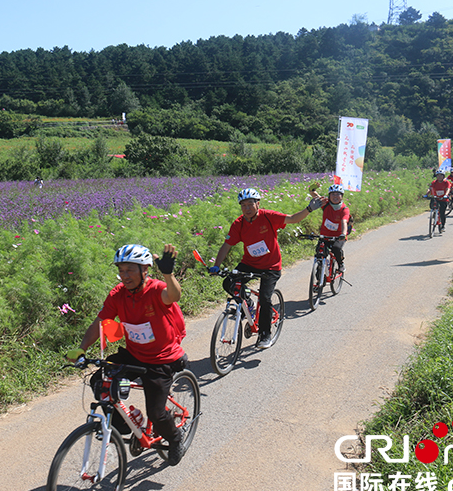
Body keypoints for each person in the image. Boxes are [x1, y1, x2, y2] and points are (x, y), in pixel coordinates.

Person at [67, 243, 189, 466]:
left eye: (130, 270)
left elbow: (173, 295)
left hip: (162, 359)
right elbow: (100, 323)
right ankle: (131, 423)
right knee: (101, 384)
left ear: (144, 270)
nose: (125, 276)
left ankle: (175, 437)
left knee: (158, 414)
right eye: (121, 270)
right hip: (134, 354)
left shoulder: (155, 289)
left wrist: (168, 274)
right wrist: (82, 348)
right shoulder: (118, 294)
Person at [209, 187, 323, 349]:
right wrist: (216, 266)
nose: (247, 208)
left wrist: (309, 208)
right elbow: (226, 245)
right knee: (228, 283)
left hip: (271, 266)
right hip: (249, 263)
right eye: (244, 206)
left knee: (265, 298)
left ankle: (265, 335)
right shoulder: (239, 224)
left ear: (258, 204)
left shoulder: (268, 217)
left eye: (250, 204)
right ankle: (248, 303)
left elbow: (292, 219)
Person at [316, 184, 351, 270]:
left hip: (339, 236)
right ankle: (319, 277)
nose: (335, 196)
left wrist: (343, 234)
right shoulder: (326, 204)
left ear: (342, 196)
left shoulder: (344, 209)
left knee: (336, 248)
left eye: (337, 194)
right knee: (319, 252)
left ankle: (340, 263)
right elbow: (316, 197)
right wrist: (312, 190)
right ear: (329, 196)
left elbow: (344, 222)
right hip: (325, 235)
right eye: (332, 194)